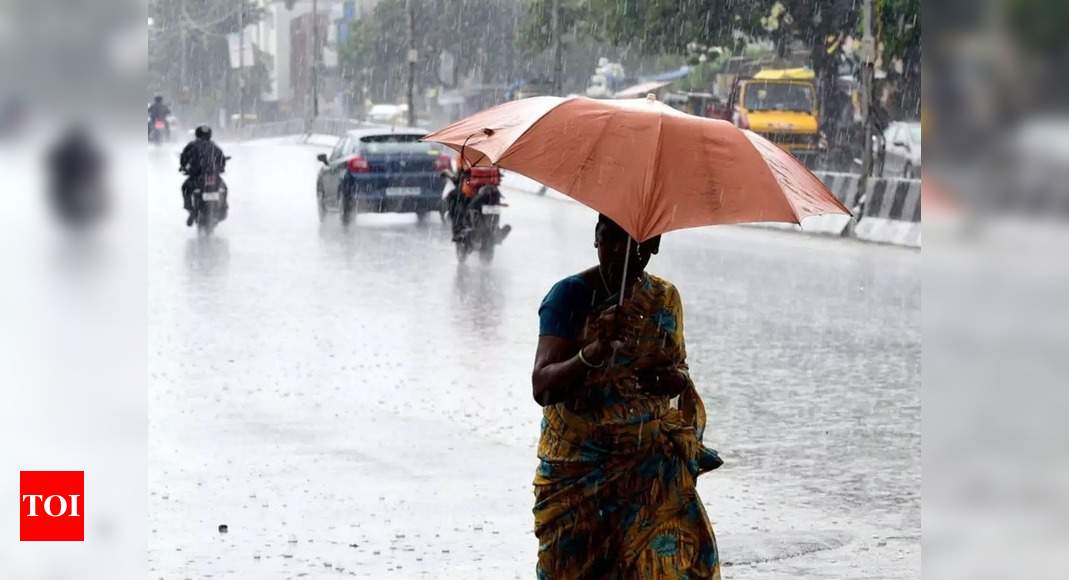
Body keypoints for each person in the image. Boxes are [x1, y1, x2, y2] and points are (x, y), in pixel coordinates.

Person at [531, 214, 722, 579]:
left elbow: (679, 372)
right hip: (578, 477)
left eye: (634, 243)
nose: (619, 251)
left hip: (649, 472)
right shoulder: (568, 297)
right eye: (609, 238)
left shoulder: (664, 299)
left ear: (654, 246)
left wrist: (669, 380)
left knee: (667, 567)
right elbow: (543, 386)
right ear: (595, 238)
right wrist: (593, 352)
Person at [179, 125, 227, 226]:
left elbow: (184, 159)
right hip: (213, 178)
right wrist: (220, 168)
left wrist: (184, 167)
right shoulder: (214, 146)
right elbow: (222, 160)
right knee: (224, 189)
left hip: (197, 178)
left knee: (185, 188)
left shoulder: (192, 145)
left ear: (197, 134)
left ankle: (191, 209)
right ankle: (223, 208)